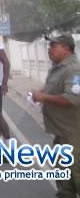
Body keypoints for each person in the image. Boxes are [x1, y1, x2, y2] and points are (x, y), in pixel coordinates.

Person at [30, 34, 80, 197]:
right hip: (60, 135)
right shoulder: (57, 67)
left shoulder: (74, 69)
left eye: (53, 46)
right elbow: (52, 87)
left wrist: (43, 97)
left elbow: (72, 98)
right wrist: (40, 93)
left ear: (66, 48)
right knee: (64, 182)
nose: (49, 49)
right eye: (49, 46)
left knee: (76, 177)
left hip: (73, 137)